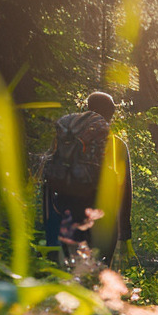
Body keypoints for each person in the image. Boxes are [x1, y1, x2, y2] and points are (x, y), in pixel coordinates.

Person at [42, 91, 132, 266]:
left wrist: (49, 233)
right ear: (111, 114)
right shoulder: (117, 144)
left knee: (70, 268)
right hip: (103, 222)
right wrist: (125, 233)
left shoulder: (67, 140)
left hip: (67, 215)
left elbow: (49, 182)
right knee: (100, 272)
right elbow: (125, 191)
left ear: (88, 109)